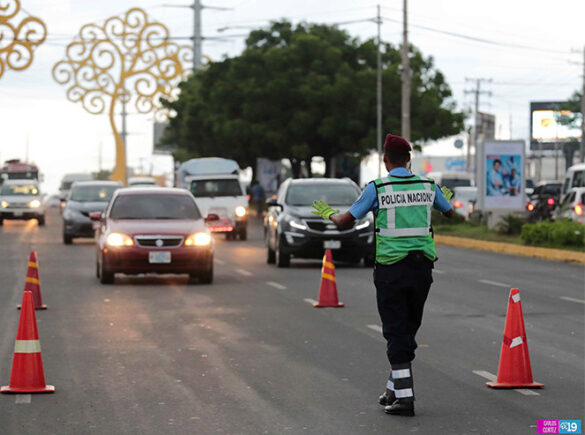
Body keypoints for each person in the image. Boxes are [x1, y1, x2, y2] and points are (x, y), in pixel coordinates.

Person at [312, 133, 453, 417]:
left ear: (386, 160)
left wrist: (328, 213)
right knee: (407, 329)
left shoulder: (378, 187)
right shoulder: (427, 185)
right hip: (422, 269)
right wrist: (442, 196)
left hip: (392, 270)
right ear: (408, 159)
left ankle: (404, 399)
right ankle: (394, 388)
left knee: (395, 331)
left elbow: (343, 222)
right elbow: (449, 212)